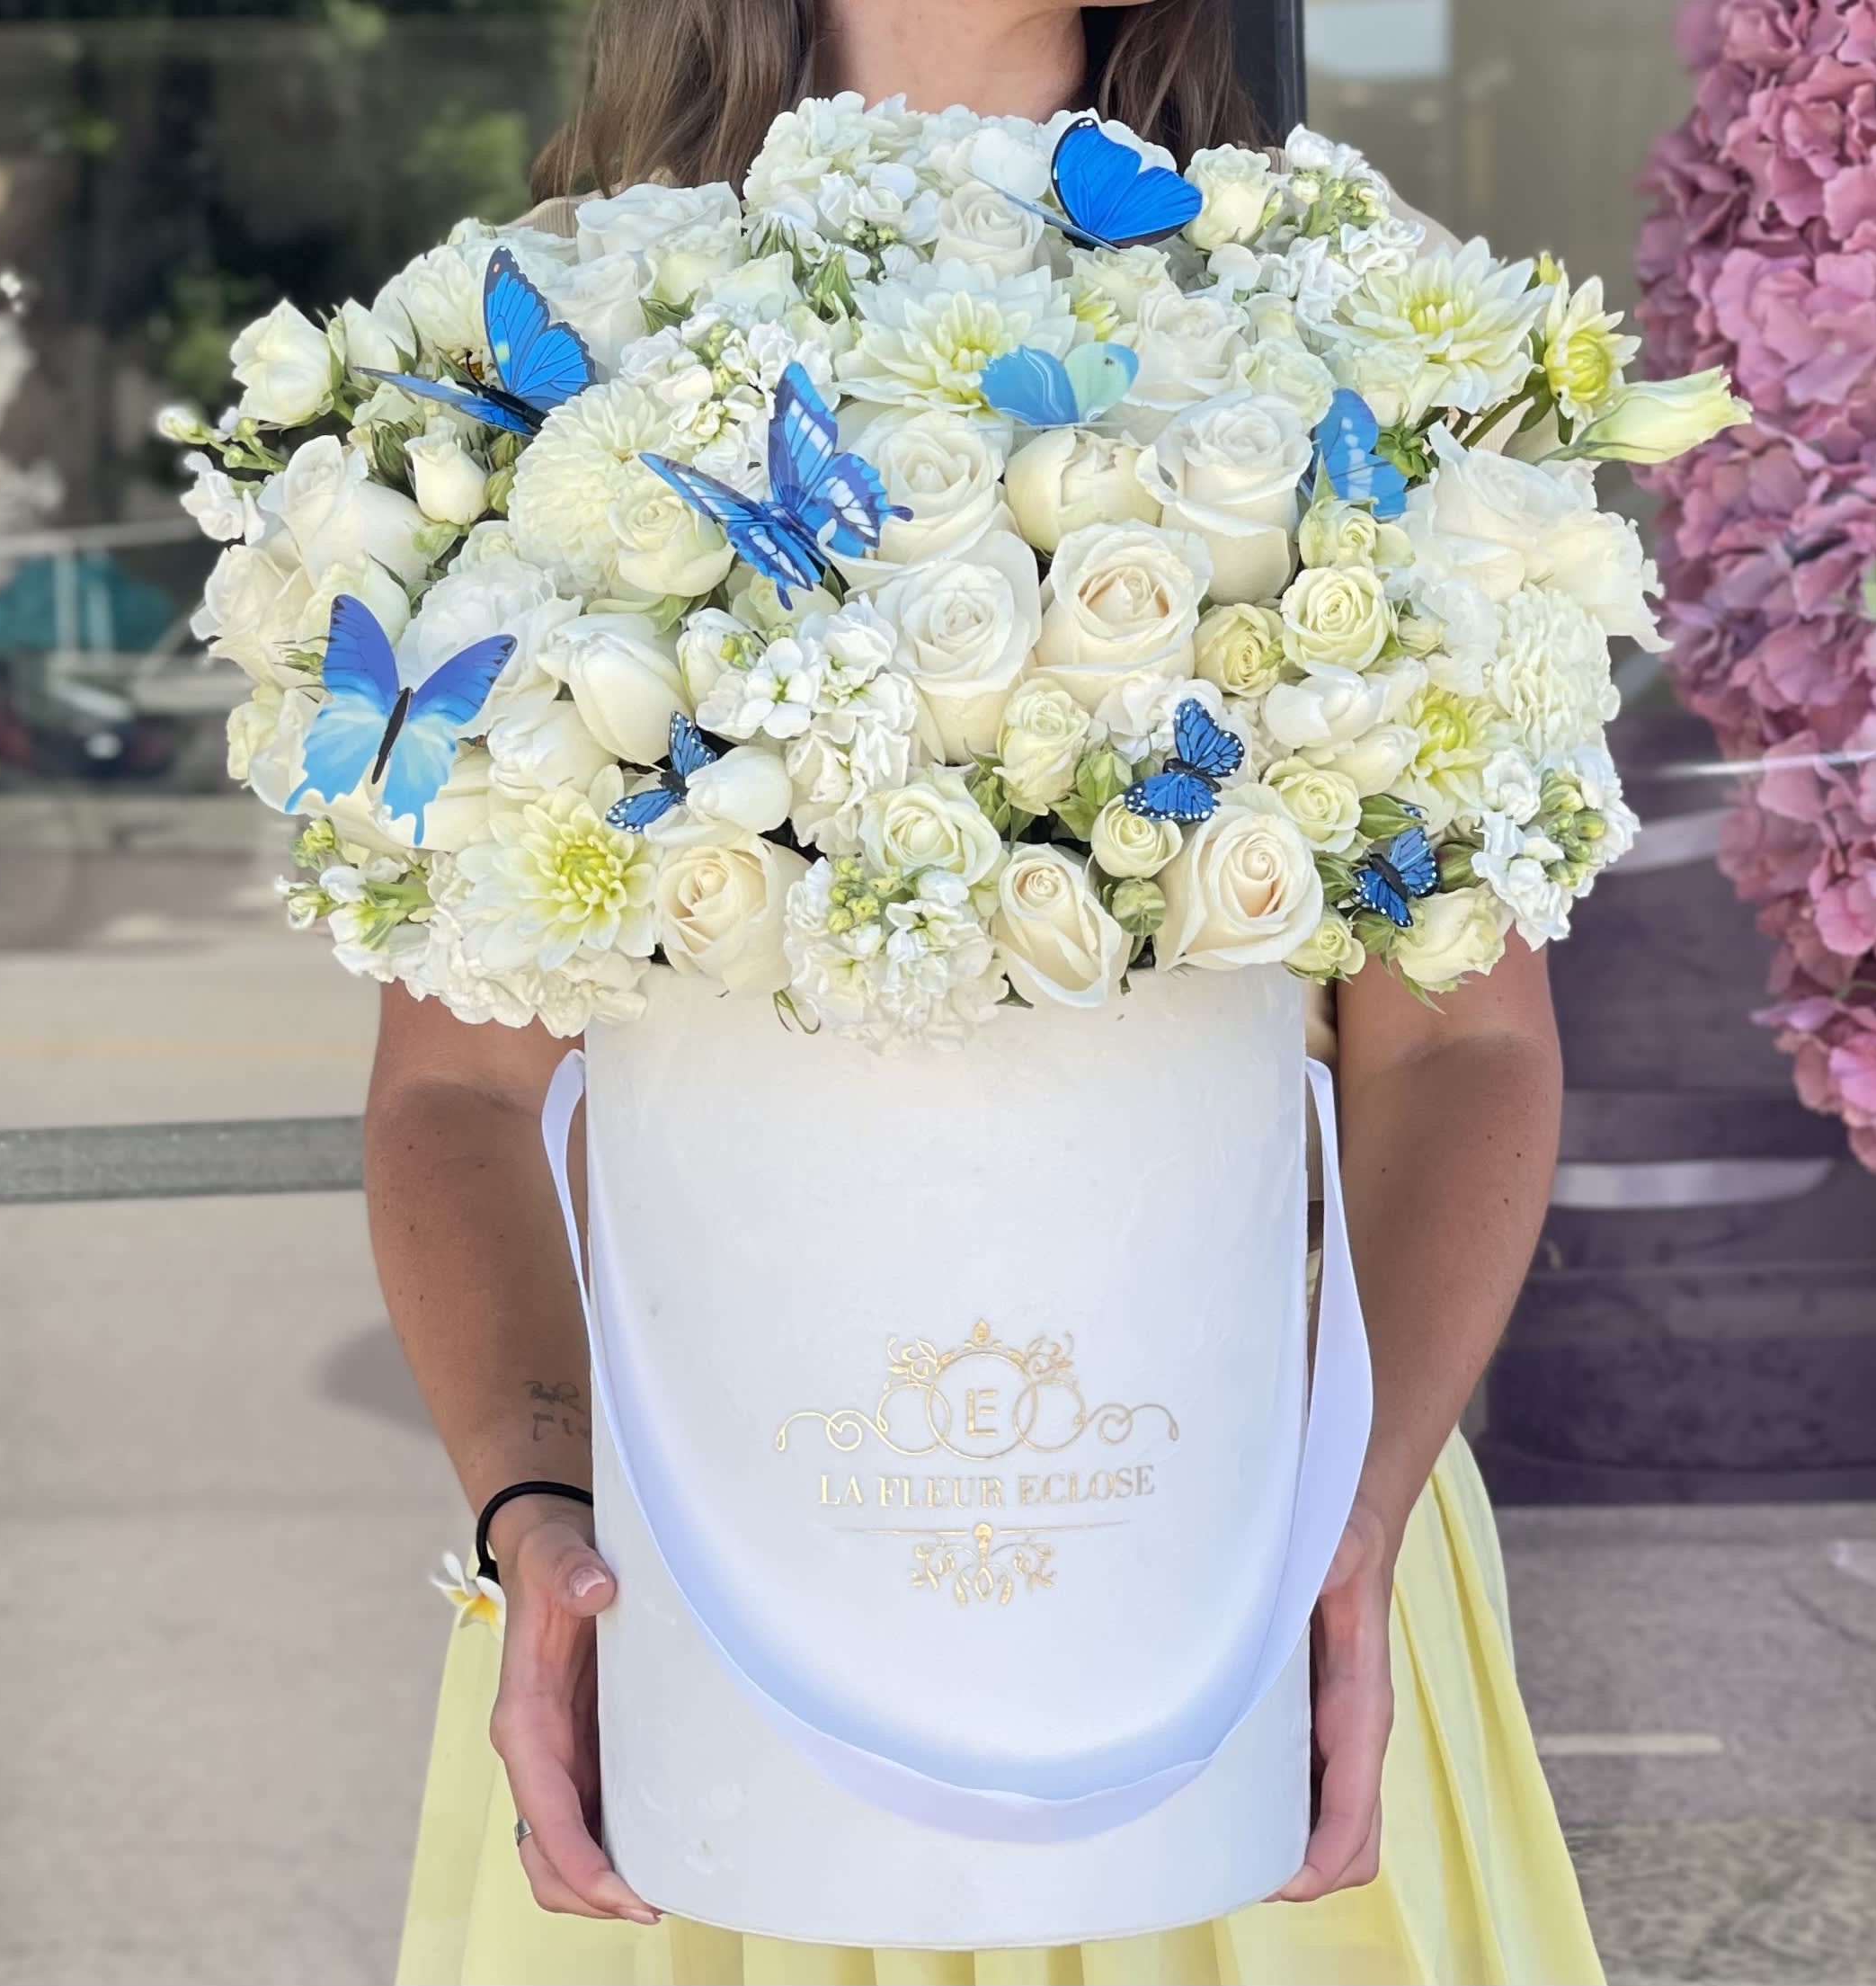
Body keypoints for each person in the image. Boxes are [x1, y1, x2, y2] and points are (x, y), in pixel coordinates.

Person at [381, 4, 1603, 1981]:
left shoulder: (1331, 317)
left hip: (1240, 1570)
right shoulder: (548, 360)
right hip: (704, 1589)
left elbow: (1461, 1035)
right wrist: (535, 1511)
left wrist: (1348, 1526)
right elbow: (450, 1094)